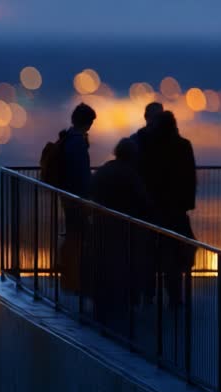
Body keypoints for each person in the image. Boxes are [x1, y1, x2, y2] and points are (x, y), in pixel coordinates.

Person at [91, 138, 154, 324]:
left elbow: (90, 191)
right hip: (125, 232)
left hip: (101, 229)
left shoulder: (103, 171)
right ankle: (124, 307)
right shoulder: (130, 176)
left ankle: (101, 306)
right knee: (125, 269)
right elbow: (143, 203)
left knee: (104, 269)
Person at [138, 110, 197, 306]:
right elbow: (190, 177)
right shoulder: (183, 146)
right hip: (176, 209)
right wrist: (188, 202)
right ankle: (175, 295)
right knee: (175, 252)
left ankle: (147, 292)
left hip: (153, 208)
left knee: (149, 251)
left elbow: (145, 175)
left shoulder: (150, 147)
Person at [48, 103, 96, 295]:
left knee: (73, 236)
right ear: (87, 122)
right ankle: (75, 279)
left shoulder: (68, 138)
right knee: (80, 237)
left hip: (68, 196)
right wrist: (89, 196)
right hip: (77, 198)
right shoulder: (77, 142)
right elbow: (81, 174)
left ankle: (70, 278)